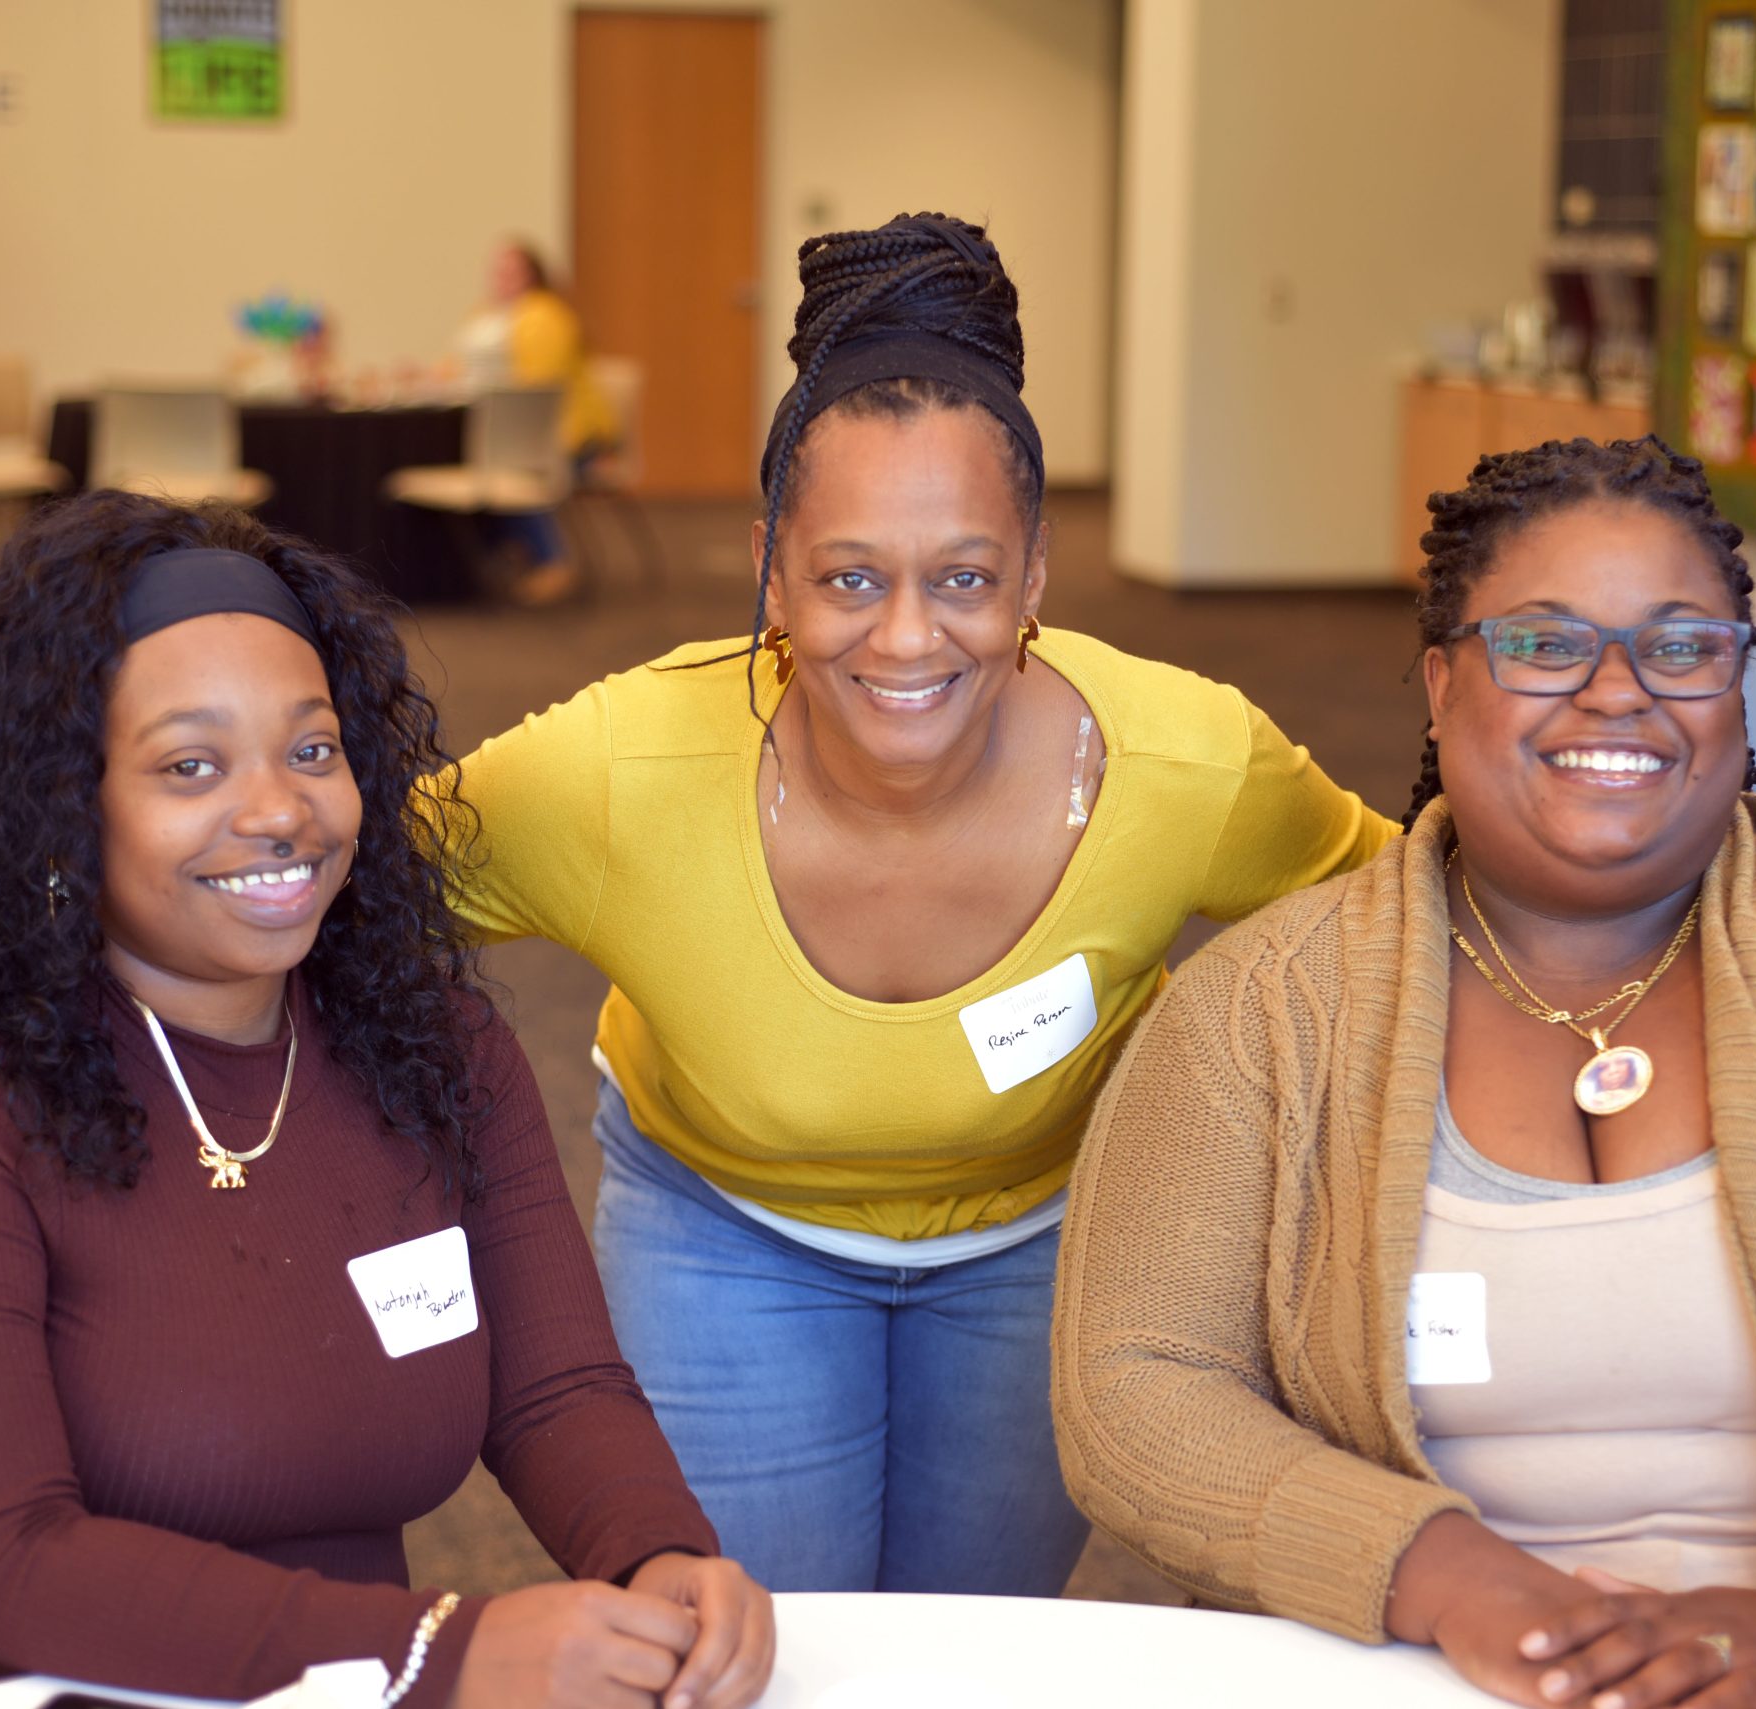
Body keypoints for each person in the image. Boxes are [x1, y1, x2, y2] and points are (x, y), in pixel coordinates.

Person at [1051, 436, 1756, 1709]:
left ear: (1738, 684)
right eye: (1544, 643)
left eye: (1680, 645)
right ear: (1440, 683)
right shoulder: (1262, 1008)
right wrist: (1453, 1578)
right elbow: (1135, 1384)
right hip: (1404, 1667)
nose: (1618, 690)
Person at [435, 212, 1397, 1597]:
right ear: (770, 566)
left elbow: (1408, 922)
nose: (904, 638)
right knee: (761, 1660)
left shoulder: (1184, 763)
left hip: (1042, 1237)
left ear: (1037, 577)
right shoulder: (618, 772)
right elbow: (316, 891)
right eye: (848, 578)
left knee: (973, 1653)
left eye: (963, 578)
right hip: (725, 1226)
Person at [0, 491, 774, 1709]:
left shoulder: (429, 1047)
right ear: (64, 808)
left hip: (303, 1686)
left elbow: (554, 1388)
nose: (278, 809)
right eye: (190, 765)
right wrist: (439, 1651)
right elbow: (2, 1564)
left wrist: (659, 1555)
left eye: (311, 748)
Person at [456, 240, 615, 606]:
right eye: (499, 269)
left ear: (534, 275)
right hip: (517, 432)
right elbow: (462, 366)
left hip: (566, 436)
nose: (503, 278)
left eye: (513, 269)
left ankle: (551, 561)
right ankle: (500, 554)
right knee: (496, 458)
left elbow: (536, 389)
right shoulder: (487, 316)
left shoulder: (546, 316)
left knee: (512, 466)